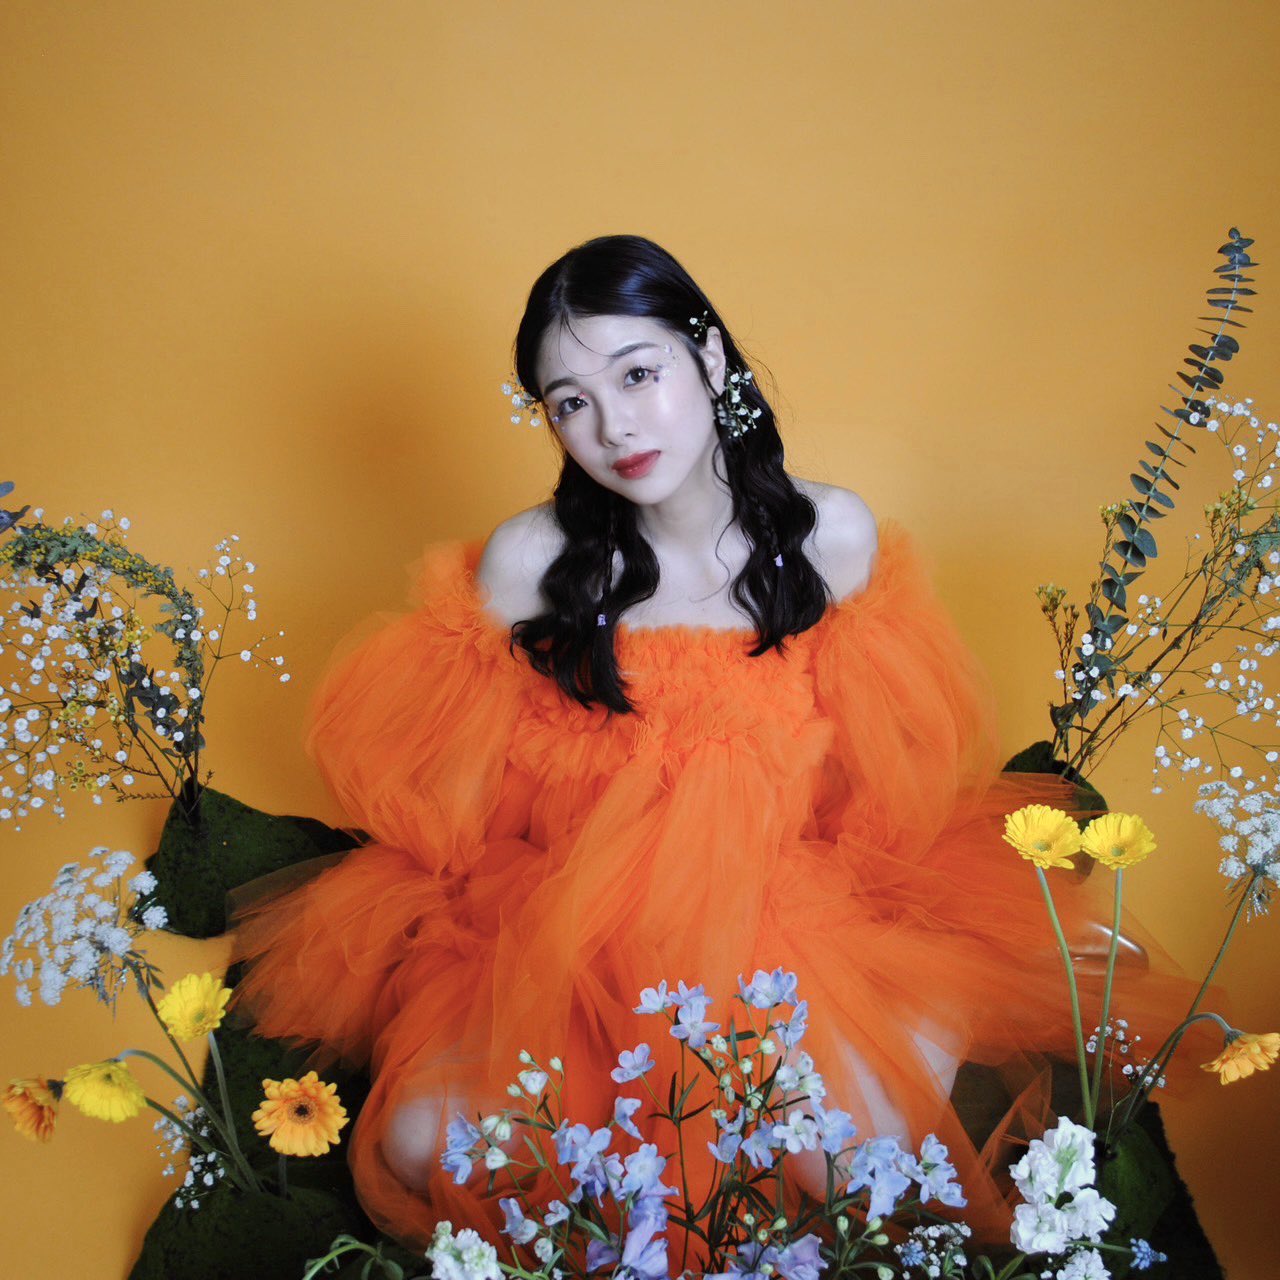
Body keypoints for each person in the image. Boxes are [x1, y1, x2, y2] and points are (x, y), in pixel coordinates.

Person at [229, 234, 1194, 1261]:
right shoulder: (532, 561)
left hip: (776, 906)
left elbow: (879, 787)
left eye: (637, 374)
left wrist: (896, 936)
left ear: (711, 356)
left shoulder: (827, 538)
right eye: (570, 402)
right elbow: (452, 795)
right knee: (434, 1148)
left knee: (840, 1165)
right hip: (572, 923)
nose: (613, 427)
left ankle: (907, 1022)